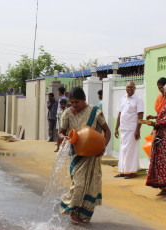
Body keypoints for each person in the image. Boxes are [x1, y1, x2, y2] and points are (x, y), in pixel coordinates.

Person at [58, 87, 111, 226]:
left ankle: (81, 214)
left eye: (76, 102)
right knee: (79, 184)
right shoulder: (67, 114)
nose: (74, 105)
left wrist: (103, 146)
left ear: (84, 100)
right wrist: (65, 138)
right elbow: (61, 133)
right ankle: (72, 211)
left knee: (90, 186)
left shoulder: (94, 112)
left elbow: (107, 131)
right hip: (77, 155)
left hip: (93, 155)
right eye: (72, 102)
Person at [114, 81, 144, 179]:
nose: (129, 89)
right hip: (123, 128)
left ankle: (131, 172)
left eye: (131, 87)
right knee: (123, 150)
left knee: (131, 151)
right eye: (128, 87)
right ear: (125, 88)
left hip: (132, 129)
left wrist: (138, 130)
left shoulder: (138, 100)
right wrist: (116, 128)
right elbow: (119, 114)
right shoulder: (122, 99)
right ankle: (122, 170)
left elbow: (140, 115)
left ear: (135, 88)